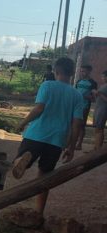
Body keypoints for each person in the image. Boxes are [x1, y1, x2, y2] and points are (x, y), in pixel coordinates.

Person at [12, 57, 84, 216]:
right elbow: (76, 124)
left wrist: (23, 123)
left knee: (20, 158)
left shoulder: (47, 85)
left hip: (36, 134)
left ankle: (22, 160)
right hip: (57, 140)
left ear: (55, 71)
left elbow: (39, 108)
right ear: (72, 73)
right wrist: (71, 147)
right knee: (45, 175)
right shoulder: (77, 95)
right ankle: (38, 212)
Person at [74, 65, 98, 150]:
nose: (82, 73)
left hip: (85, 106)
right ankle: (71, 143)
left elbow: (94, 98)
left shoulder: (93, 83)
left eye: (84, 71)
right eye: (81, 71)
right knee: (73, 124)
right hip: (75, 106)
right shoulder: (79, 81)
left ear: (89, 72)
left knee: (81, 125)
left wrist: (87, 96)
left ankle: (79, 144)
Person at [92, 70, 107, 151]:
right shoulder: (103, 85)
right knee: (97, 128)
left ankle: (98, 149)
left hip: (103, 109)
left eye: (103, 76)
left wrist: (99, 93)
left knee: (99, 129)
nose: (102, 78)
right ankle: (96, 147)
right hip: (98, 108)